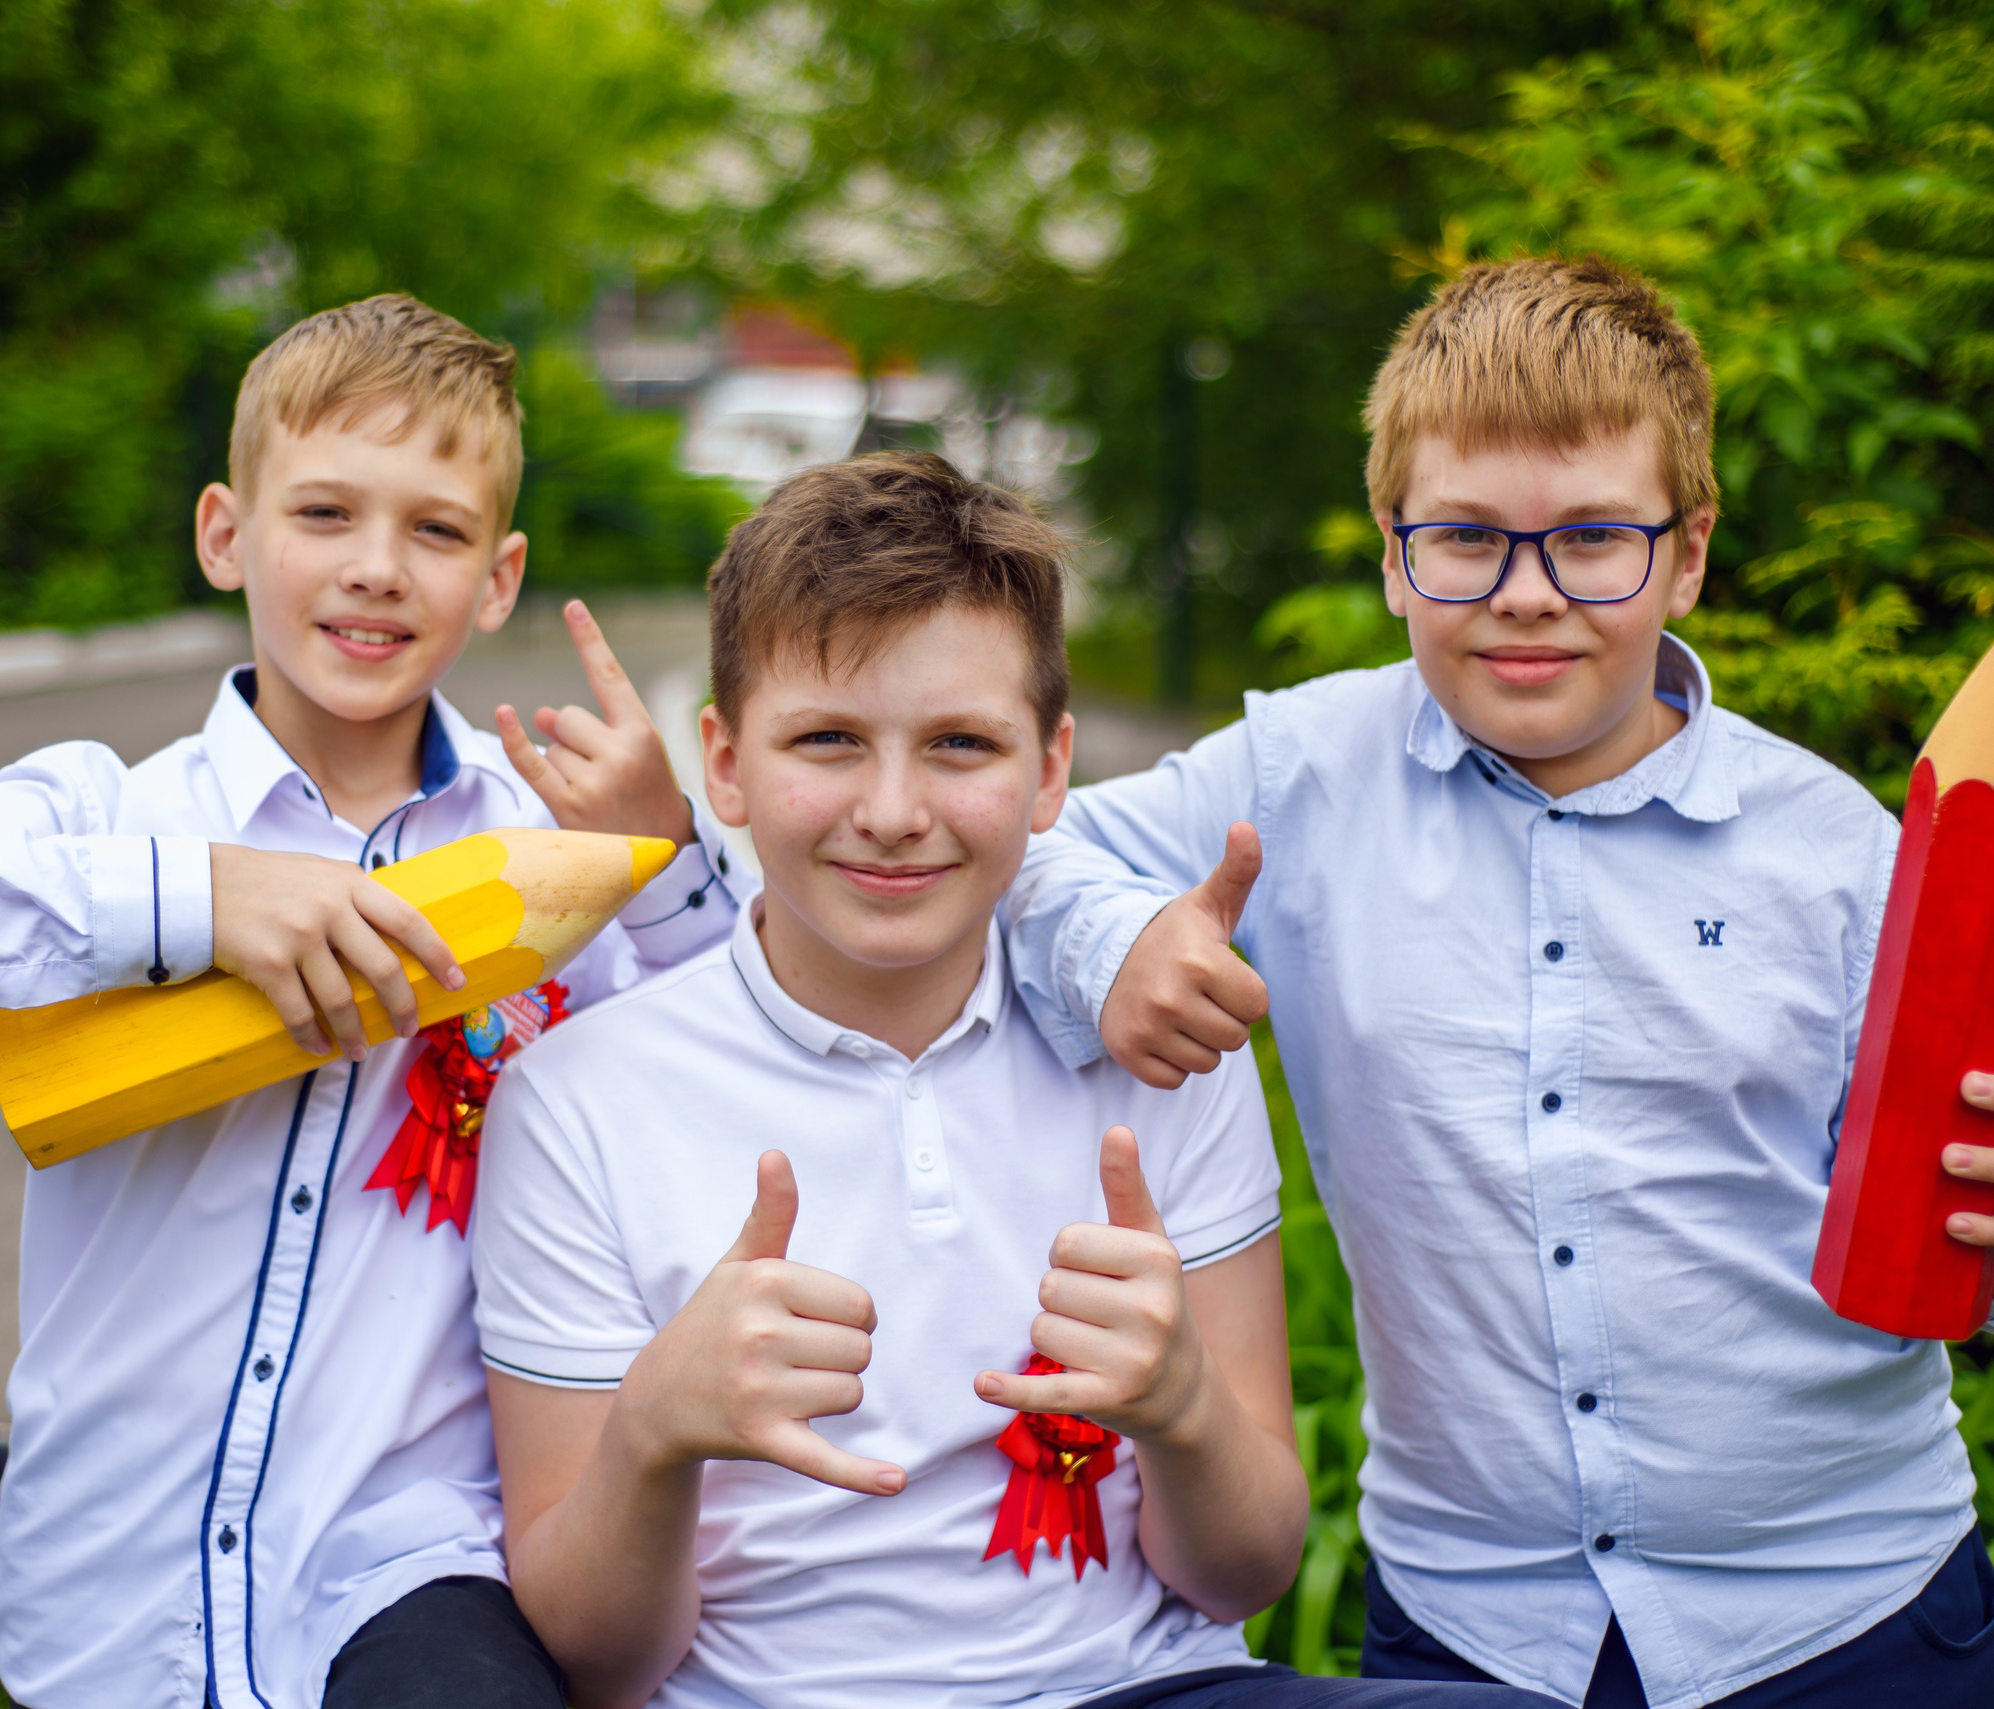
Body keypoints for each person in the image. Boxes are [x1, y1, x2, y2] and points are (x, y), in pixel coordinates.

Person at [1000, 258, 1994, 1709]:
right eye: (1464, 538)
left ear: (1691, 551)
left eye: (1595, 539)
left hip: (1849, 1615)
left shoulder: (1840, 853)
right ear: (1394, 553)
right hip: (1472, 1631)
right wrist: (1120, 939)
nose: (1527, 599)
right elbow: (1013, 854)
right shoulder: (1296, 772)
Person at [0, 294, 749, 1709]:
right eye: (324, 513)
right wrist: (187, 903)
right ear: (223, 534)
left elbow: (747, 1081)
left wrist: (669, 862)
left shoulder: (549, 856)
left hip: (405, 1570)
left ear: (496, 580)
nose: (377, 569)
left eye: (434, 531)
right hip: (106, 1601)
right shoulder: (106, 819)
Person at [472, 451, 1558, 1709]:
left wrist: (1184, 1406)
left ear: (1051, 770)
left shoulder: (1154, 1050)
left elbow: (1242, 1569)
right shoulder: (575, 1098)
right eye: (826, 738)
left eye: (958, 744)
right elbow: (595, 1658)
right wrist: (653, 1434)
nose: (890, 808)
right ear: (722, 762)